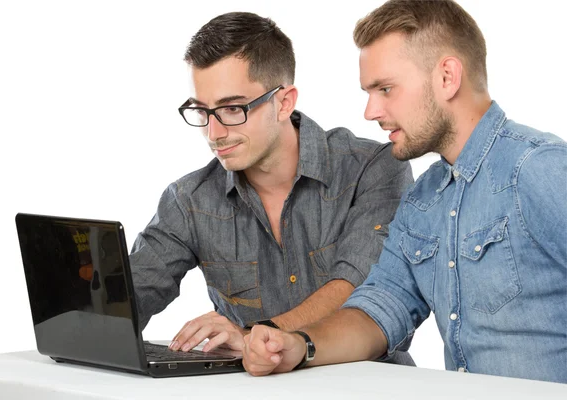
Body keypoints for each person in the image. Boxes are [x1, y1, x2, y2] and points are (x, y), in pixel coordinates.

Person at [242, 0, 567, 383]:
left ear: (447, 77)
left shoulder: (539, 167)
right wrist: (299, 345)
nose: (370, 111)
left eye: (385, 89)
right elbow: (380, 309)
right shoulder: (423, 199)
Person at [129, 12, 414, 364]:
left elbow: (361, 290)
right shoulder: (189, 201)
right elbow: (128, 298)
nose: (214, 134)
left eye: (233, 109)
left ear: (284, 102)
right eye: (201, 110)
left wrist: (253, 336)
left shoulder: (373, 169)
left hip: (367, 389)